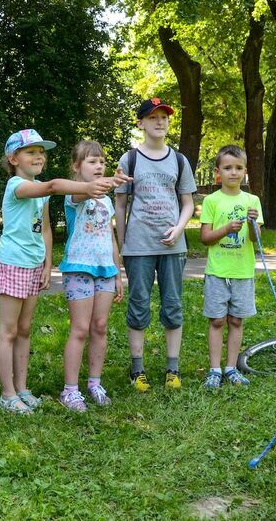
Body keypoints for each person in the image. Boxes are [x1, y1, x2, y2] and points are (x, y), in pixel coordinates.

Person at [0, 129, 127, 414]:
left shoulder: (40, 189)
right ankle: (7, 394)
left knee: (25, 329)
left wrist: (46, 263)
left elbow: (44, 228)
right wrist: (91, 186)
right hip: (12, 262)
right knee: (8, 331)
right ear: (13, 158)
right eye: (31, 151)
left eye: (41, 151)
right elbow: (55, 186)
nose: (39, 156)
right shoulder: (16, 185)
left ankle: (22, 388)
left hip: (33, 264)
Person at [114, 98, 197, 391]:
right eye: (153, 117)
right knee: (138, 306)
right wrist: (123, 244)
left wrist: (180, 228)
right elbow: (120, 204)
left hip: (173, 247)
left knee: (172, 306)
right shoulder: (129, 159)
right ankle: (137, 370)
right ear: (141, 123)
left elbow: (187, 203)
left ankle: (172, 369)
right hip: (139, 247)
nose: (160, 122)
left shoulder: (179, 160)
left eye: (164, 117)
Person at [57, 141, 124, 412]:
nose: (98, 166)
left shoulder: (107, 201)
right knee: (80, 329)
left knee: (100, 327)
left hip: (105, 270)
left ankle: (94, 383)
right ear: (76, 166)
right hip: (78, 268)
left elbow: (110, 237)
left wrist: (117, 272)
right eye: (91, 162)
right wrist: (106, 182)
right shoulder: (74, 195)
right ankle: (70, 391)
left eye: (102, 162)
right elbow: (86, 192)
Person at [199, 145, 262, 389]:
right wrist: (226, 229)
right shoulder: (212, 201)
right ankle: (215, 369)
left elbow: (256, 240)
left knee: (236, 320)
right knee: (217, 321)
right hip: (217, 271)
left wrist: (253, 224)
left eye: (238, 168)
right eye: (227, 168)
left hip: (242, 271)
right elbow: (205, 238)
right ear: (218, 172)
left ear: (245, 171)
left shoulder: (252, 200)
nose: (233, 173)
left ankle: (231, 368)